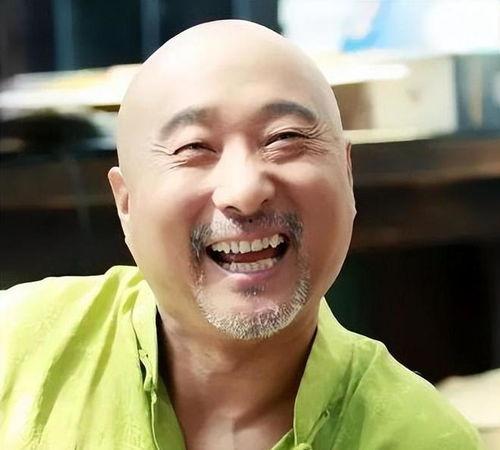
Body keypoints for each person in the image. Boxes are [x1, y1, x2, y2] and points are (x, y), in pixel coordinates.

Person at [0, 20, 483, 450]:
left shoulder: (422, 437)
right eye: (194, 147)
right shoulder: (17, 347)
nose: (245, 191)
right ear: (126, 204)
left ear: (346, 174)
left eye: (284, 138)